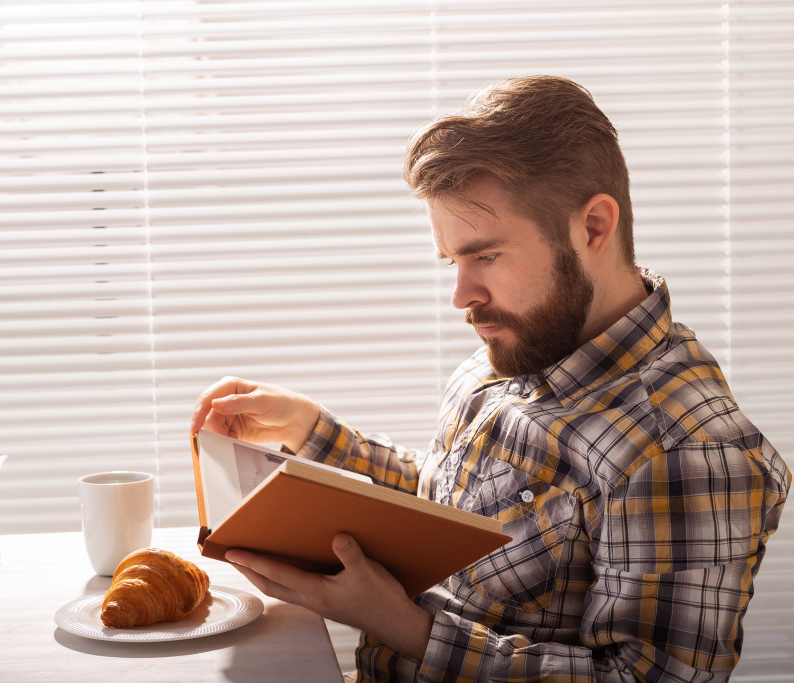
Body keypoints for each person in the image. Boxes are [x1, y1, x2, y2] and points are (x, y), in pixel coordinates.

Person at [189, 76, 790, 682]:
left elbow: (645, 678)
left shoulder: (688, 450)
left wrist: (403, 626)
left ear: (594, 228)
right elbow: (457, 508)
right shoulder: (523, 341)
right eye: (453, 261)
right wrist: (312, 430)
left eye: (486, 256)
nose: (460, 296)